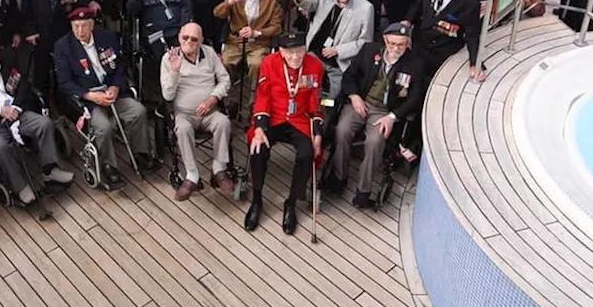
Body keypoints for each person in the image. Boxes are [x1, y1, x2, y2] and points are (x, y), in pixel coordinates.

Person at [0, 35, 75, 205]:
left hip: (17, 111)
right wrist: (0, 111)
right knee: (0, 148)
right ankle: (20, 186)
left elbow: (23, 85)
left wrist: (16, 108)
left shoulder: (8, 59)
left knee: (44, 124)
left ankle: (50, 170)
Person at [54, 8, 158, 191]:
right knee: (104, 126)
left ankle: (141, 153)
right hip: (88, 99)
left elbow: (120, 66)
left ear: (92, 25)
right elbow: (64, 83)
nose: (80, 31)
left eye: (84, 26)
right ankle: (109, 166)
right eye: (76, 26)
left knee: (138, 111)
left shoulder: (106, 37)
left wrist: (115, 87)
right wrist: (89, 95)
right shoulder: (63, 47)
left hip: (112, 92)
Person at [330, 22, 426, 208]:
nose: (395, 48)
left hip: (385, 112)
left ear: (408, 43)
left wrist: (392, 117)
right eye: (391, 43)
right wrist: (354, 96)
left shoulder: (415, 64)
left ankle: (363, 192)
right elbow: (349, 76)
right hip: (361, 103)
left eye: (401, 44)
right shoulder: (369, 50)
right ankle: (339, 177)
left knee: (374, 143)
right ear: (385, 40)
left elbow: (414, 98)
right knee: (342, 131)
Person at [243, 32, 325, 235]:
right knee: (257, 148)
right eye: (290, 52)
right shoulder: (269, 63)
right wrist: (260, 128)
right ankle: (257, 200)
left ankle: (291, 203)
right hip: (274, 117)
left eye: (299, 51)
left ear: (305, 49)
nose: (295, 57)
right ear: (281, 51)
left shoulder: (315, 66)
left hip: (300, 120)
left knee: (307, 154)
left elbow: (317, 102)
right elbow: (262, 96)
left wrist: (317, 134)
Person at [160, 23, 234, 201]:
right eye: (185, 38)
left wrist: (212, 99)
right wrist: (175, 71)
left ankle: (218, 169)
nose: (189, 42)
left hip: (209, 111)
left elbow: (225, 80)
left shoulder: (209, 53)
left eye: (194, 39)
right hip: (184, 113)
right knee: (183, 129)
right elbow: (167, 95)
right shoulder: (168, 58)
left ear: (201, 40)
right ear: (179, 37)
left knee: (224, 122)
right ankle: (192, 175)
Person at [295, 0, 375, 98]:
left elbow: (365, 42)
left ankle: (325, 115)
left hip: (339, 64)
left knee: (331, 100)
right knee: (306, 91)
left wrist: (338, 50)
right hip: (315, 55)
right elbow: (308, 4)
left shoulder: (366, 8)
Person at [411, 0, 483, 80]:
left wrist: (474, 63)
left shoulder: (469, 2)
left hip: (443, 53)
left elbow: (472, 35)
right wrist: (407, 22)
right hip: (420, 46)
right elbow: (418, 5)